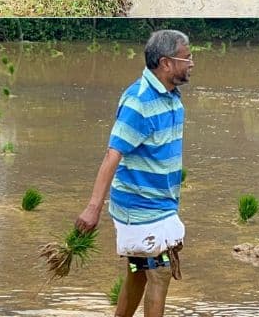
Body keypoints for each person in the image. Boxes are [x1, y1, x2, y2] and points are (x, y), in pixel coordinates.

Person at [76, 30, 192, 317]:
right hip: (139, 208)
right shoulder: (138, 102)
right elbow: (112, 154)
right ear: (166, 63)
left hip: (162, 204)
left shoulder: (171, 97)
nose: (191, 63)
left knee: (137, 271)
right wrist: (93, 208)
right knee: (160, 271)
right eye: (186, 58)